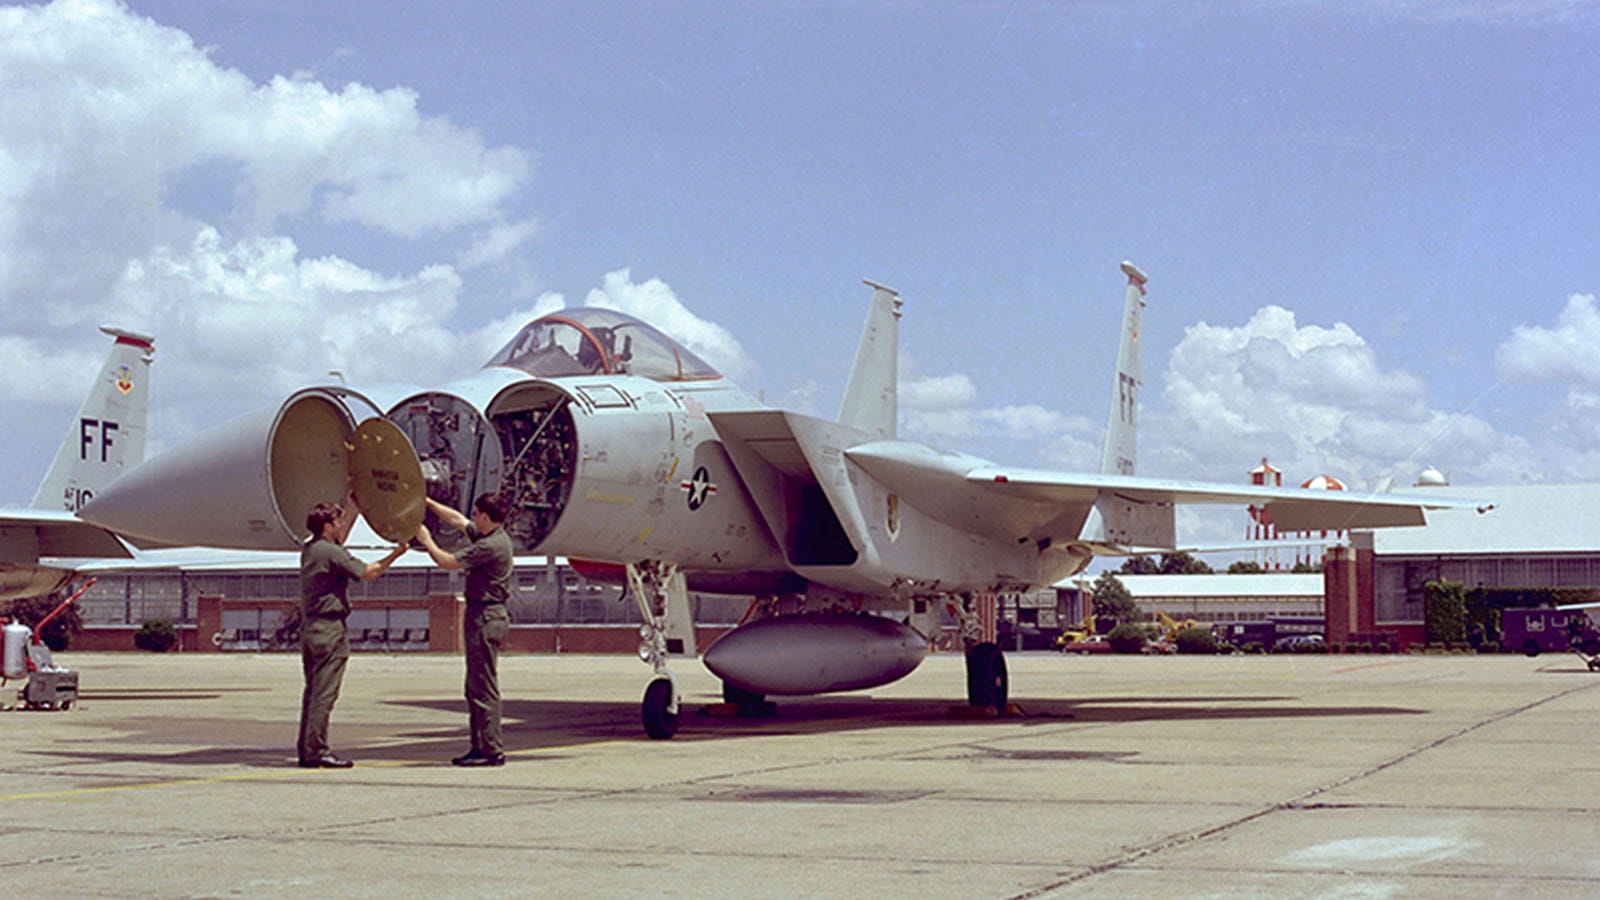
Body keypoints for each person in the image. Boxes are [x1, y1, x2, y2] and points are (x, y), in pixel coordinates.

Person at [297, 498, 408, 769]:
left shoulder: (312, 549)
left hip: (312, 628)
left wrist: (351, 503)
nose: (342, 524)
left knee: (313, 692)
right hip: (329, 629)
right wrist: (396, 554)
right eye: (337, 521)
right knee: (324, 695)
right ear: (327, 526)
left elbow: (338, 543)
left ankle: (307, 748)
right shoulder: (332, 553)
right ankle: (317, 750)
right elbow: (368, 572)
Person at [415, 493, 515, 767]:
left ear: (486, 516)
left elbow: (447, 562)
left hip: (486, 616)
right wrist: (428, 503)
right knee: (475, 686)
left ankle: (491, 749)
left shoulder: (490, 546)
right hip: (482, 614)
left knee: (483, 686)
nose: (473, 517)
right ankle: (479, 745)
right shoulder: (491, 536)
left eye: (477, 513)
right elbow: (458, 521)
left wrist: (426, 540)